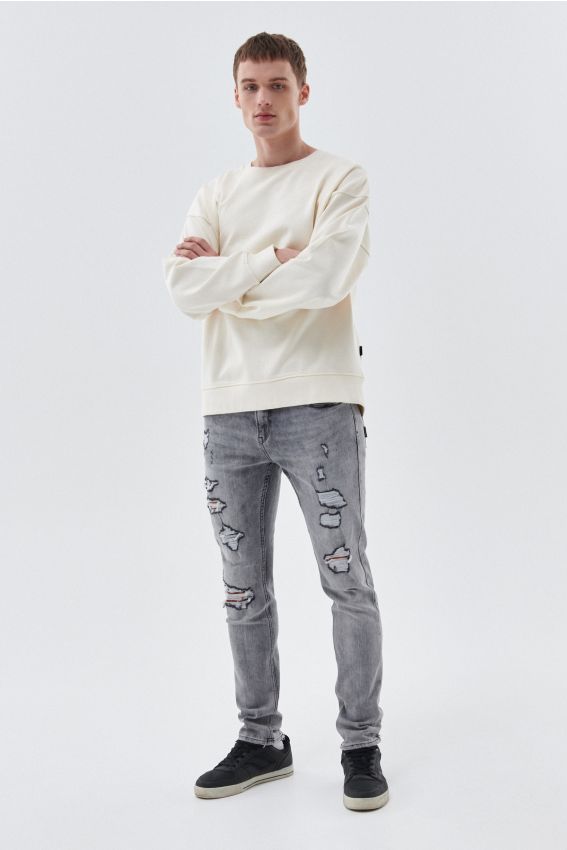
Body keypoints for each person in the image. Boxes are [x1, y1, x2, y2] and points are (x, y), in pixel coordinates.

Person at [161, 31, 388, 812]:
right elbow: (183, 289)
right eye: (251, 86)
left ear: (302, 92)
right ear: (235, 96)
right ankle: (260, 740)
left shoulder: (339, 179)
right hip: (227, 411)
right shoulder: (216, 194)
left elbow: (325, 278)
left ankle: (360, 743)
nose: (264, 99)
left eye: (278, 85)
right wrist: (265, 263)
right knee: (241, 589)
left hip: (317, 404)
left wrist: (227, 284)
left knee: (344, 579)